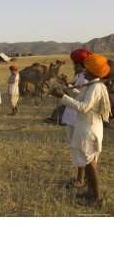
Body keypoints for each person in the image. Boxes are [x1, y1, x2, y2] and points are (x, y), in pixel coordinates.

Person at [51, 54, 111, 206]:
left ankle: (96, 199)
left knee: (90, 163)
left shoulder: (96, 87)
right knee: (88, 162)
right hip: (86, 127)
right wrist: (66, 92)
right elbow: (81, 99)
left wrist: (63, 97)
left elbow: (84, 107)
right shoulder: (92, 85)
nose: (83, 72)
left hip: (89, 129)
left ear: (93, 72)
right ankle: (90, 192)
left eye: (86, 70)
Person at [61, 49, 90, 188]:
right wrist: (67, 84)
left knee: (80, 148)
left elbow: (81, 96)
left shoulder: (86, 79)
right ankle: (80, 178)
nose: (73, 66)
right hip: (72, 115)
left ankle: (81, 179)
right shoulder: (79, 76)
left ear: (80, 64)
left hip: (78, 116)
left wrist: (69, 85)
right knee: (76, 148)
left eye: (75, 64)